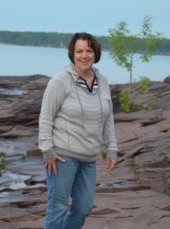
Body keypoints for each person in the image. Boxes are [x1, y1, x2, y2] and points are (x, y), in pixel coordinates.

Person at [38, 32, 118, 229]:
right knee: (58, 207)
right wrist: (47, 150)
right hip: (62, 156)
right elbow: (46, 116)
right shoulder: (60, 81)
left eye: (89, 51)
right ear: (72, 54)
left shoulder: (103, 81)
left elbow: (108, 117)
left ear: (96, 54)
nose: (84, 55)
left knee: (83, 207)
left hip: (89, 156)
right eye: (79, 51)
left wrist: (112, 148)